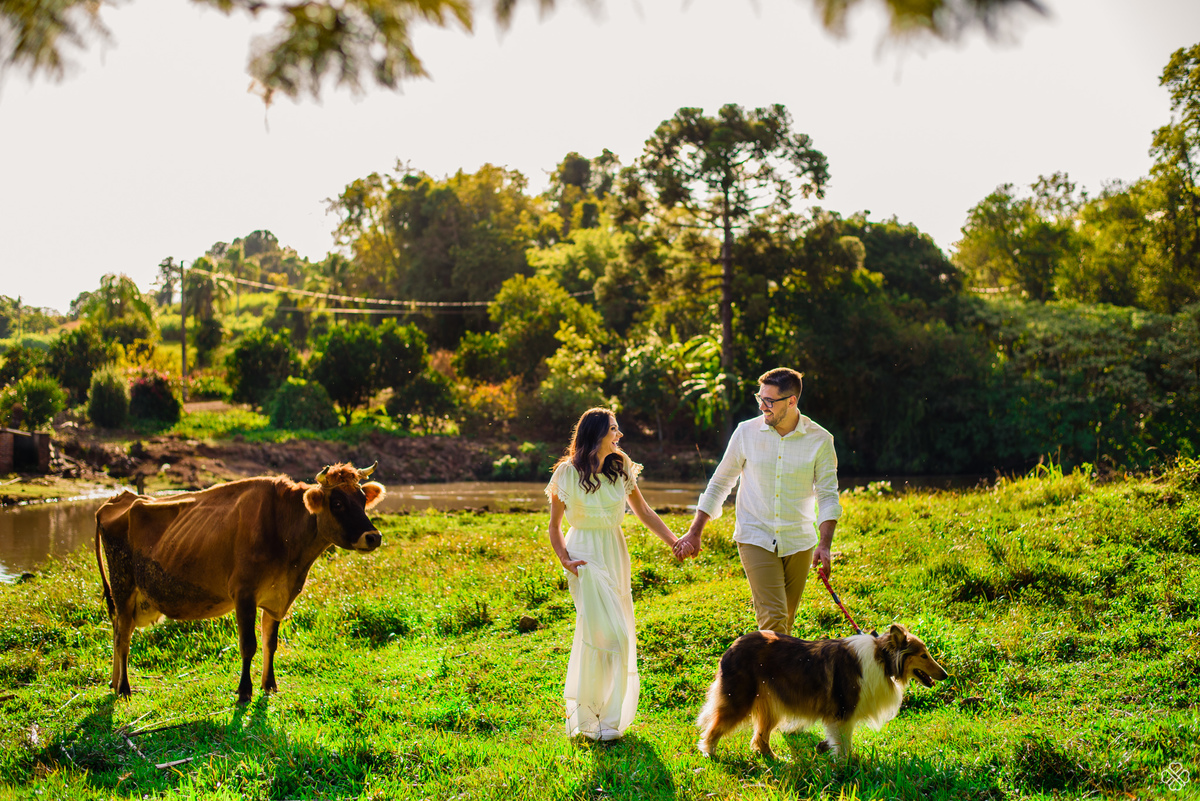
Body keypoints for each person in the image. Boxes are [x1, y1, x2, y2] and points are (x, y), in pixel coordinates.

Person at [545, 407, 682, 741]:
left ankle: (604, 718)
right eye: (613, 429)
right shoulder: (566, 472)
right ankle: (589, 715)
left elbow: (644, 511)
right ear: (596, 434)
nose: (619, 435)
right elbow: (554, 525)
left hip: (615, 552)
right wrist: (564, 559)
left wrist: (675, 541)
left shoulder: (621, 467)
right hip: (584, 557)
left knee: (610, 634)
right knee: (609, 635)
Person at [673, 367, 841, 636]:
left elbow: (828, 494)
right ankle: (767, 678)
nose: (763, 406)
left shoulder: (820, 440)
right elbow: (719, 483)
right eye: (760, 398)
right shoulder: (745, 433)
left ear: (791, 401)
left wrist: (824, 545)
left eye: (770, 401)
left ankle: (770, 676)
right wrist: (695, 532)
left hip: (799, 541)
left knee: (784, 623)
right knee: (773, 621)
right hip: (755, 536)